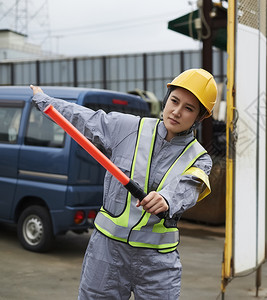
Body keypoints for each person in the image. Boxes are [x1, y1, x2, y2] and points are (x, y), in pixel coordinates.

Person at [30, 68, 217, 299]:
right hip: (106, 254)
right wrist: (45, 101)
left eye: (188, 108)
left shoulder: (200, 158)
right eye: (174, 101)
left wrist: (166, 198)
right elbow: (84, 118)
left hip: (157, 263)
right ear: (166, 98)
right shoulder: (128, 128)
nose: (176, 112)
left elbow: (190, 186)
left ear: (200, 117)